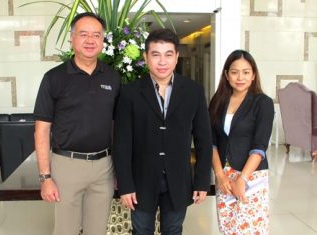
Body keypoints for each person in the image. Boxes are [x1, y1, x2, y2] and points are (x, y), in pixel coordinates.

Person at [112, 28, 213, 235]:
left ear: (176, 57)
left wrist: (202, 180)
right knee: (141, 230)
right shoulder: (130, 93)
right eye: (155, 55)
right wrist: (125, 184)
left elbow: (203, 139)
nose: (162, 61)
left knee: (174, 229)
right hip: (141, 180)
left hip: (179, 178)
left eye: (168, 55)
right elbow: (122, 142)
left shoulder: (193, 91)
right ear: (146, 57)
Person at [33, 12, 121, 235]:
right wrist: (45, 178)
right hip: (66, 166)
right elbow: (42, 130)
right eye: (84, 34)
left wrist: (121, 170)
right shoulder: (54, 78)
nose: (90, 40)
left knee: (98, 231)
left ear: (103, 40)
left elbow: (118, 126)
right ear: (72, 39)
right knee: (66, 231)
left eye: (96, 35)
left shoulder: (112, 77)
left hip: (104, 166)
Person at [208, 49, 274, 235]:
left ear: (253, 75)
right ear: (227, 75)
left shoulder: (263, 103)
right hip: (225, 176)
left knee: (250, 228)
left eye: (246, 72)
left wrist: (243, 179)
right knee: (228, 228)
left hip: (251, 175)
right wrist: (219, 174)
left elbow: (260, 146)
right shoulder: (218, 101)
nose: (240, 77)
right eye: (235, 72)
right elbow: (211, 141)